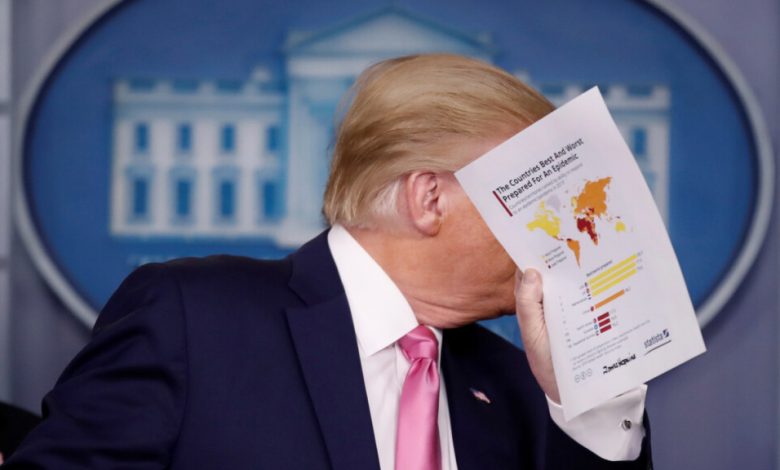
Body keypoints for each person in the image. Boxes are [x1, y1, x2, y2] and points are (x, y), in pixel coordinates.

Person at [6, 54, 651, 469]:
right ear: (429, 198)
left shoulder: (524, 388)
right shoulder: (193, 321)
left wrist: (593, 405)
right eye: (533, 198)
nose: (558, 231)